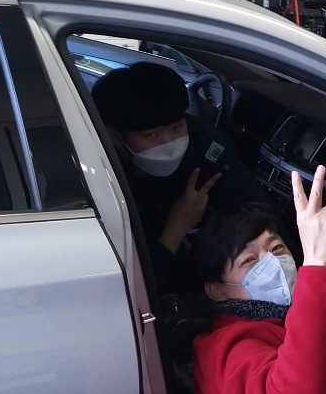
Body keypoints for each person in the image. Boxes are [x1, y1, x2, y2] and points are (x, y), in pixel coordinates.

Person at [191, 166, 326, 394]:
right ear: (218, 291)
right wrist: (317, 262)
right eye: (249, 260)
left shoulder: (272, 311)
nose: (273, 263)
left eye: (276, 248)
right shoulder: (225, 353)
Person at [92, 61, 268, 292]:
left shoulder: (203, 142)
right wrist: (177, 226)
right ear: (114, 135)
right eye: (151, 135)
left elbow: (255, 206)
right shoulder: (99, 176)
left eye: (176, 128)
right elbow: (138, 290)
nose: (170, 144)